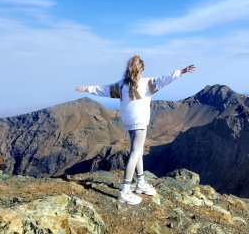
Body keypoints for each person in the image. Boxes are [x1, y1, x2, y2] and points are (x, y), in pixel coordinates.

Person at [75, 55, 195, 205]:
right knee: (135, 153)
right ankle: (125, 191)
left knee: (136, 151)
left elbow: (102, 90)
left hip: (128, 121)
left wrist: (85, 88)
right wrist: (181, 71)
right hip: (140, 122)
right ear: (141, 69)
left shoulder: (121, 85)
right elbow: (166, 79)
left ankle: (140, 183)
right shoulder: (147, 84)